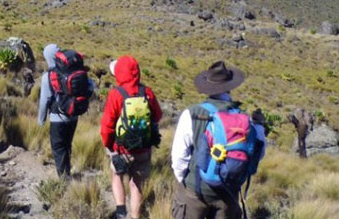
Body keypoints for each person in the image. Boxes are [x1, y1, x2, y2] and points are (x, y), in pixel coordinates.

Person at [170, 61, 267, 219]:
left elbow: (179, 158)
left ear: (207, 87)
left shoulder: (192, 114)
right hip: (228, 193)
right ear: (230, 86)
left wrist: (187, 183)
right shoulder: (243, 119)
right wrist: (260, 126)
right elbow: (258, 152)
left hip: (196, 193)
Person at [100, 56, 163, 219]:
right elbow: (157, 115)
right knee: (137, 185)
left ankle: (121, 212)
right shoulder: (147, 92)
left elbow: (107, 124)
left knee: (117, 175)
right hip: (143, 148)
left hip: (121, 148)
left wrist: (108, 145)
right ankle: (136, 216)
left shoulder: (116, 94)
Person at [37, 44, 95, 179]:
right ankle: (67, 172)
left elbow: (44, 100)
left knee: (58, 148)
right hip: (74, 115)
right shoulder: (73, 70)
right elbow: (91, 86)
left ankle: (64, 180)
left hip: (58, 117)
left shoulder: (49, 76)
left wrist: (41, 120)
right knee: (67, 145)